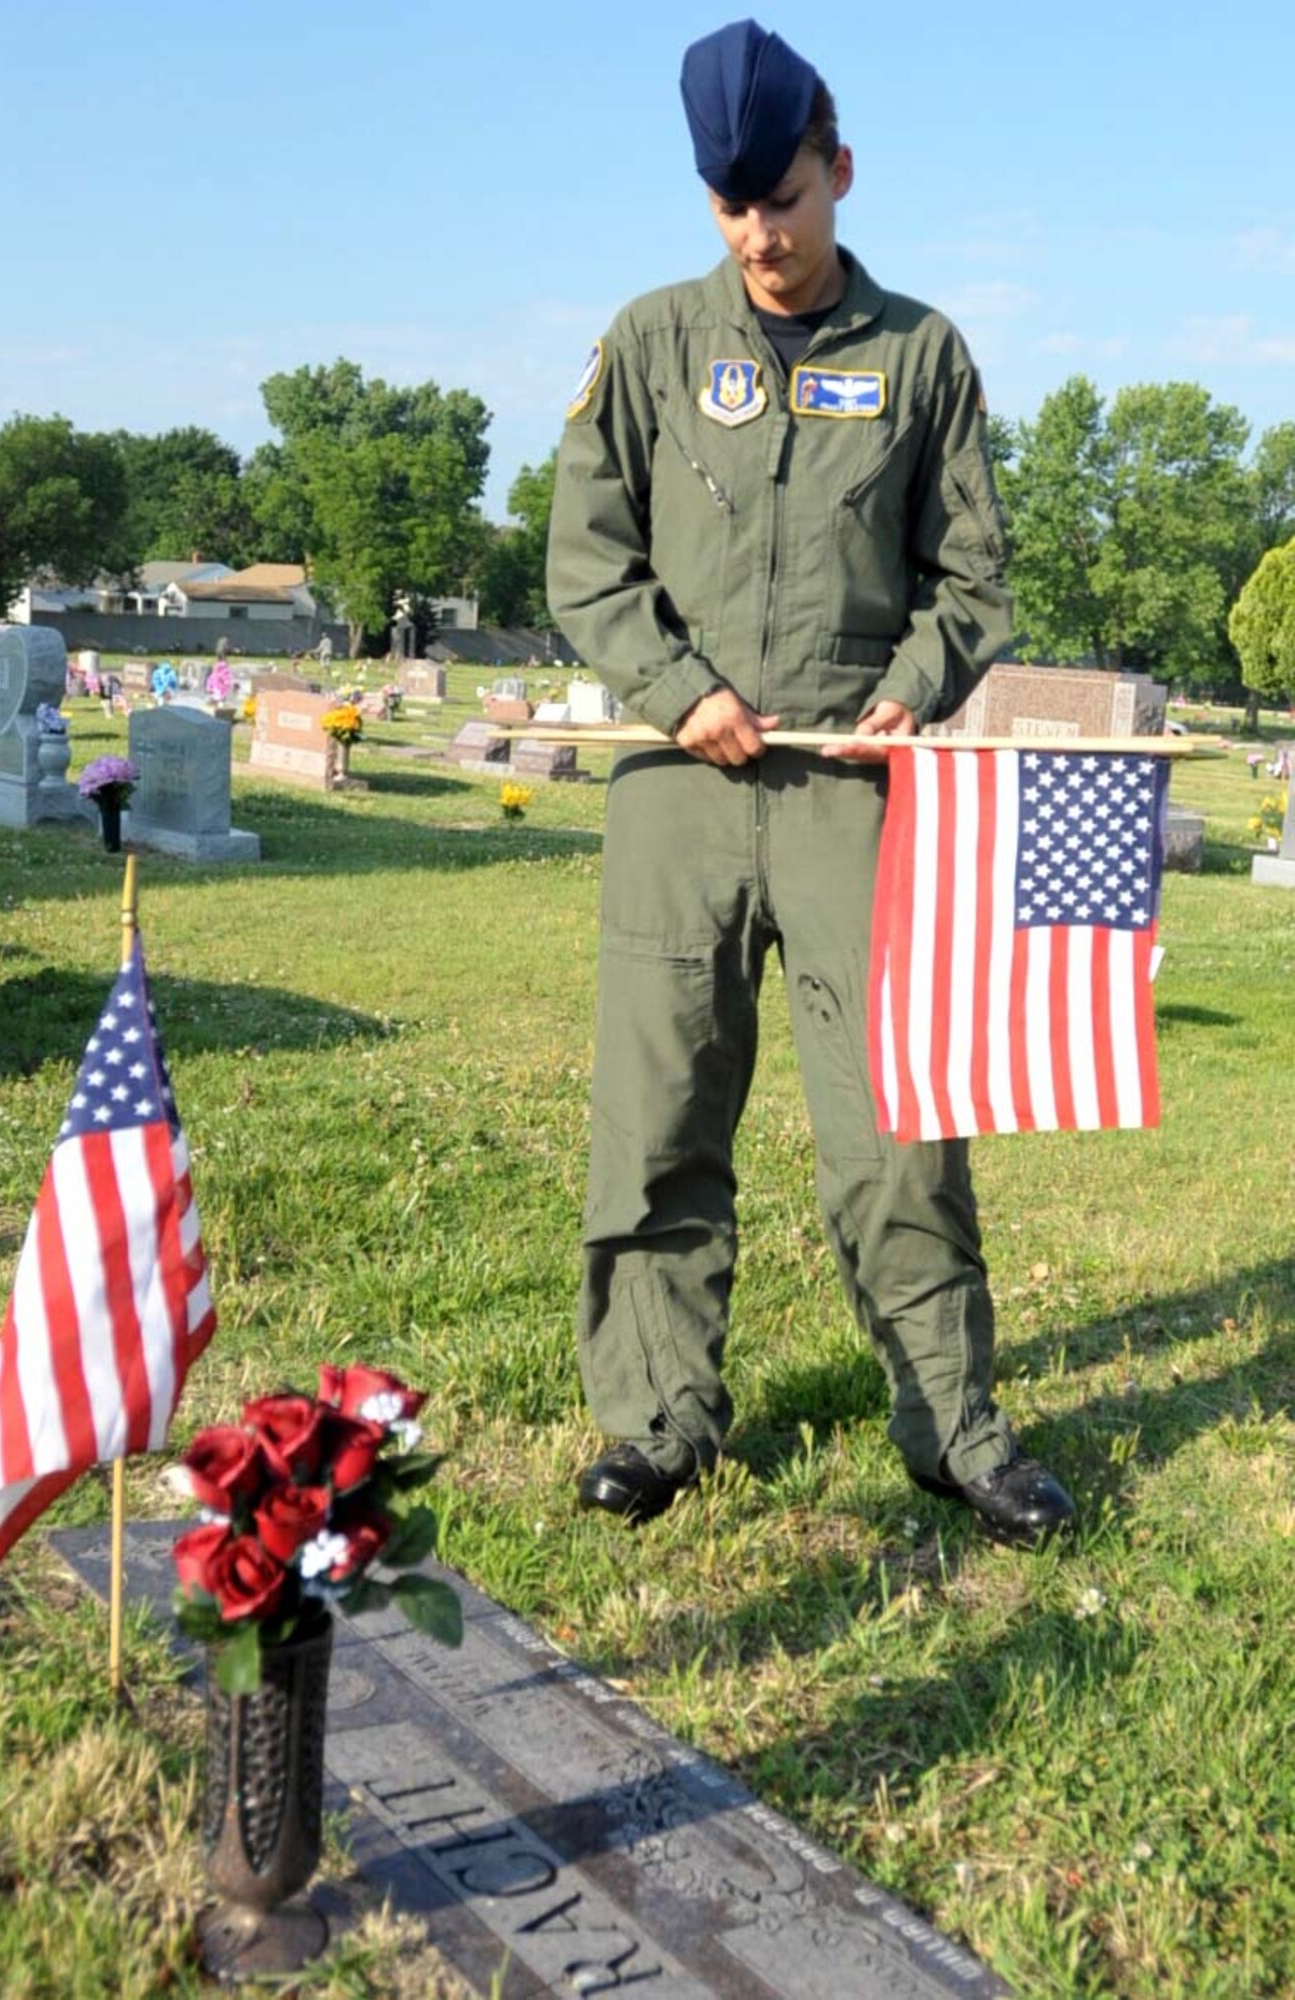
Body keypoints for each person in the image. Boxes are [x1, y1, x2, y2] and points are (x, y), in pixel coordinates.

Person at [546, 19, 1075, 1549]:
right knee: (658, 1113)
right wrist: (679, 689)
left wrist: (912, 695)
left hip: (857, 788)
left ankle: (954, 1430)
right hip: (679, 787)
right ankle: (658, 1422)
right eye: (731, 205)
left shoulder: (922, 356)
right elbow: (588, 564)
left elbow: (971, 577)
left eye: (783, 195)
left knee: (901, 1129)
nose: (760, 234)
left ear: (840, 171)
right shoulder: (649, 344)